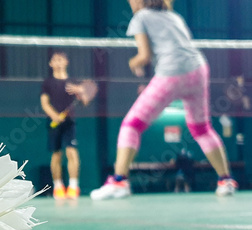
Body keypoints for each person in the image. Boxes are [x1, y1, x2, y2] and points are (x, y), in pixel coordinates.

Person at [91, 0, 238, 200]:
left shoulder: (140, 17)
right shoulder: (173, 16)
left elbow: (144, 55)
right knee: (201, 128)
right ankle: (226, 180)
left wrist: (133, 62)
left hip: (172, 73)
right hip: (198, 70)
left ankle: (119, 181)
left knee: (131, 124)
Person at [40, 51, 93, 200]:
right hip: (53, 122)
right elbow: (44, 103)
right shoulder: (48, 83)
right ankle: (58, 187)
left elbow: (85, 102)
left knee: (71, 152)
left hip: (70, 122)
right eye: (54, 60)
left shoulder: (74, 82)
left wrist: (81, 91)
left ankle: (73, 187)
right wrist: (54, 115)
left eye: (60, 59)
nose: (58, 62)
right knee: (56, 155)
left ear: (66, 62)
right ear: (51, 64)